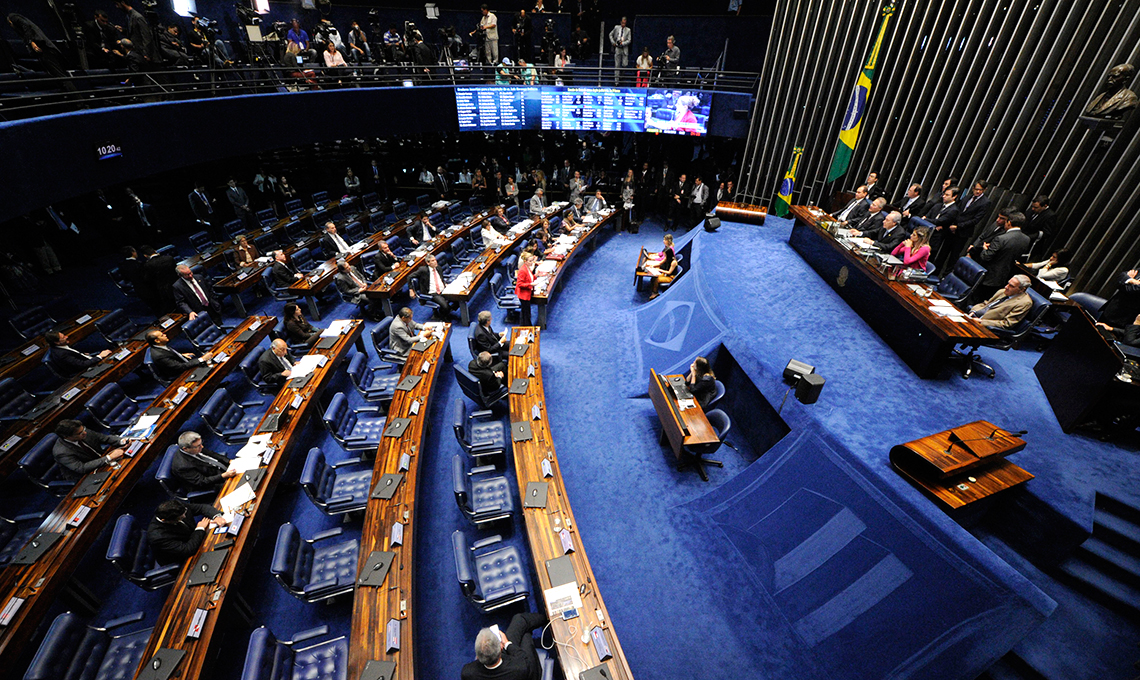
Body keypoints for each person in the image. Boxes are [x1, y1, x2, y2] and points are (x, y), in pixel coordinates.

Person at [461, 612, 548, 680]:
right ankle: (549, 616)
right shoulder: (521, 667)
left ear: (477, 656)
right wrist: (507, 643)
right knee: (525, 634)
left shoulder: (467, 672)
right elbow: (524, 660)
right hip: (528, 674)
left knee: (520, 622)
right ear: (501, 648)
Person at [972, 211, 1031, 303]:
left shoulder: (1001, 238)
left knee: (976, 300)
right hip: (1005, 276)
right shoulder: (1026, 239)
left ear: (1009, 223)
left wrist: (985, 249)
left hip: (989, 276)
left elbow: (986, 257)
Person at [148, 499, 228, 565]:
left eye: (184, 513)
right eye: (180, 518)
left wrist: (216, 517)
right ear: (164, 520)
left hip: (193, 539)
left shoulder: (178, 507)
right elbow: (188, 549)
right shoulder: (158, 536)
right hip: (182, 559)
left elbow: (201, 507)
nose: (185, 516)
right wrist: (199, 529)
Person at [7, 14, 75, 88]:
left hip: (45, 50)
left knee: (61, 76)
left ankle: (76, 97)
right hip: (45, 50)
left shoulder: (13, 17)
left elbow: (26, 26)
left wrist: (31, 42)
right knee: (56, 76)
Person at [939, 181, 991, 273]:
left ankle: (945, 275)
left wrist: (958, 227)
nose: (978, 192)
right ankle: (936, 271)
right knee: (943, 253)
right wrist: (953, 225)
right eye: (976, 189)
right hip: (951, 229)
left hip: (963, 232)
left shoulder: (985, 202)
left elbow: (976, 220)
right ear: (973, 188)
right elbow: (957, 211)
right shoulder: (967, 197)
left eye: (981, 190)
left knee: (954, 256)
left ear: (985, 190)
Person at [52, 419, 126, 482]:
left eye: (83, 429)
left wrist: (122, 441)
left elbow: (103, 438)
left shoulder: (82, 431)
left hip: (101, 461)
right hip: (85, 476)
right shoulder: (61, 452)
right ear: (67, 437)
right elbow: (82, 468)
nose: (85, 433)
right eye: (80, 433)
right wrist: (109, 458)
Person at [172, 431, 237, 493]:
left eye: (201, 443)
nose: (202, 447)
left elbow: (211, 454)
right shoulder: (183, 466)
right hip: (209, 484)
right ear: (185, 449)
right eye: (198, 446)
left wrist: (229, 461)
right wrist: (223, 476)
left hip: (217, 470)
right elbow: (202, 481)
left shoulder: (195, 447)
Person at [146, 329, 214, 382]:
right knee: (212, 369)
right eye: (162, 335)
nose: (165, 335)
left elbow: (168, 354)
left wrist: (180, 355)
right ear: (157, 340)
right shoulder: (159, 356)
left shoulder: (159, 346)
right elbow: (181, 367)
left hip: (182, 363)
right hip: (180, 374)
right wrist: (202, 359)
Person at [969, 275, 1033, 329]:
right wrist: (973, 311)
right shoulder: (1003, 291)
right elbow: (986, 304)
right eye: (1008, 283)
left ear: (1022, 289)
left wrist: (981, 321)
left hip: (985, 326)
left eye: (1011, 286)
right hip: (973, 317)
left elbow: (1007, 324)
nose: (1006, 287)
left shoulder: (1024, 303)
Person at [44, 331, 112, 377]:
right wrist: (99, 356)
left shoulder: (61, 346)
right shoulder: (61, 354)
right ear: (57, 342)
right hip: (84, 371)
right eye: (63, 337)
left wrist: (83, 354)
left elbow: (73, 354)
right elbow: (82, 365)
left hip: (89, 360)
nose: (67, 336)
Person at [410, 255, 454, 319]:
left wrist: (445, 284)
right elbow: (409, 277)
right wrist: (411, 289)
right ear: (428, 263)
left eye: (435, 260)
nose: (435, 262)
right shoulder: (423, 270)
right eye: (433, 261)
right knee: (446, 306)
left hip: (443, 289)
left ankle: (443, 311)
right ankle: (443, 316)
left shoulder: (438, 268)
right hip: (433, 293)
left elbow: (441, 278)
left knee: (458, 298)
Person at [645, 233, 677, 300]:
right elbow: (660, 263)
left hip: (670, 277)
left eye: (665, 255)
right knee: (654, 276)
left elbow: (669, 272)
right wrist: (652, 265)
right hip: (665, 273)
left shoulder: (674, 262)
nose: (664, 257)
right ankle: (653, 289)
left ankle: (655, 293)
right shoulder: (666, 258)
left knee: (657, 279)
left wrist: (659, 270)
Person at [1026, 195, 1059, 259]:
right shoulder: (1031, 210)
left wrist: (1029, 237)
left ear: (1045, 206)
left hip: (1033, 243)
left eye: (1036, 207)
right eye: (1032, 206)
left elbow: (1047, 233)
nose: (1033, 209)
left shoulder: (1050, 216)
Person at [516, 251, 536, 325]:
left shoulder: (527, 267)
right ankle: (527, 327)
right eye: (530, 261)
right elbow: (519, 284)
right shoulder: (522, 270)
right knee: (526, 314)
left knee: (526, 313)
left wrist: (536, 275)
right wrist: (530, 284)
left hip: (527, 293)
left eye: (532, 260)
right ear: (525, 261)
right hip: (523, 295)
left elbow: (530, 277)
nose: (532, 262)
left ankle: (526, 326)